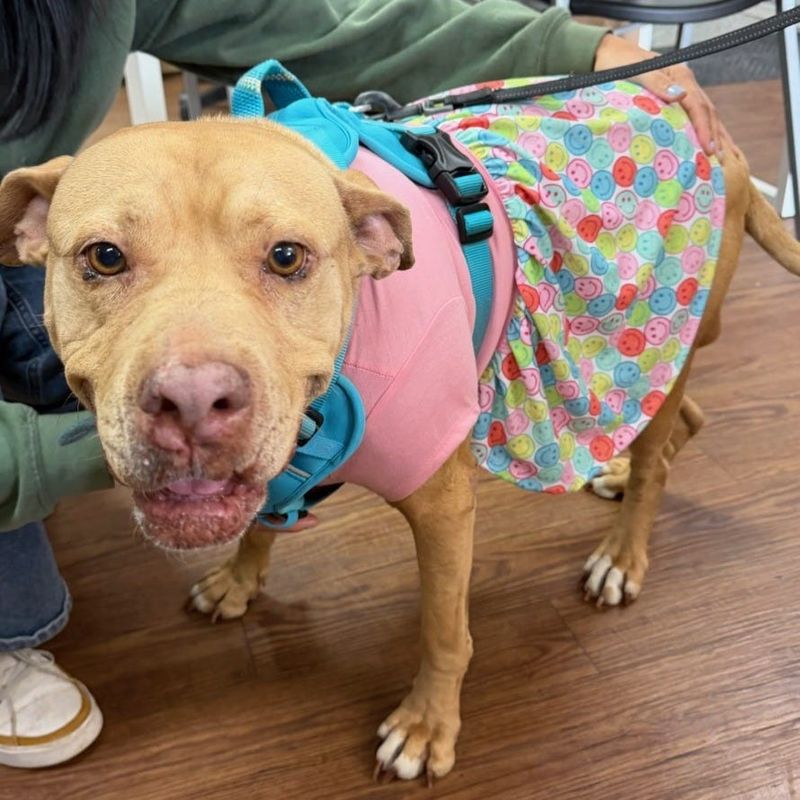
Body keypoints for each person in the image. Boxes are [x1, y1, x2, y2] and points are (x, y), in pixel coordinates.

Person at [0, 0, 729, 769]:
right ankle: (252, 557)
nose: (193, 384)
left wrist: (570, 42)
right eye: (107, 259)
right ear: (28, 232)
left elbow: (319, 22)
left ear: (374, 243)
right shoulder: (55, 213)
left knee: (656, 386)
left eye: (283, 259)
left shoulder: (389, 346)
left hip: (636, 170)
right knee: (271, 415)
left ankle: (638, 507)